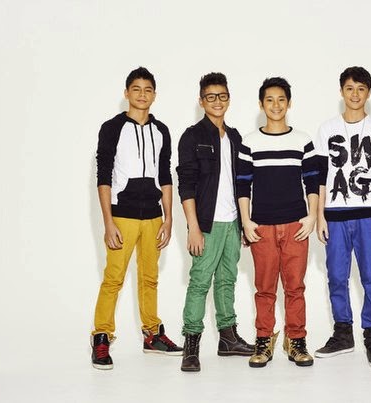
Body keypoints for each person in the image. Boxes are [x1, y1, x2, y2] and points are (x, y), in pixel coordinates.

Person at [91, 67, 182, 370]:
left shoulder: (162, 131)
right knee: (114, 279)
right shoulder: (112, 128)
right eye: (136, 89)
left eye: (148, 89)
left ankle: (152, 335)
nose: (142, 94)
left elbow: (165, 176)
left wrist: (168, 218)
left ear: (154, 95)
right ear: (126, 93)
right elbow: (103, 175)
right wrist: (108, 222)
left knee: (149, 278)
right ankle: (101, 337)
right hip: (122, 216)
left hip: (153, 217)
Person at [314, 66, 371, 369]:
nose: (355, 94)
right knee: (336, 276)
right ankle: (343, 334)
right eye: (350, 88)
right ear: (341, 92)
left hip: (369, 215)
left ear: (369, 93)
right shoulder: (327, 129)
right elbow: (320, 176)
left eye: (361, 89)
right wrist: (319, 215)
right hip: (335, 214)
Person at [237, 77, 319, 368]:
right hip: (262, 227)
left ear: (289, 103)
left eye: (281, 99)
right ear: (261, 105)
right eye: (269, 100)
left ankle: (296, 340)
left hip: (296, 225)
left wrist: (312, 216)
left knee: (295, 287)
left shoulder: (303, 140)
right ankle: (264, 339)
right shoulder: (249, 141)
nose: (275, 105)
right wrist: (246, 221)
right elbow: (242, 185)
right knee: (265, 288)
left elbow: (312, 182)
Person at [176, 72, 254, 372]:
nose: (217, 101)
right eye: (211, 97)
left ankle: (228, 338)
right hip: (207, 224)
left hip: (232, 222)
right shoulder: (192, 137)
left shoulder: (235, 137)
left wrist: (244, 223)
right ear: (201, 101)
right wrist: (194, 227)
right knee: (199, 282)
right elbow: (186, 185)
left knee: (226, 280)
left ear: (228, 99)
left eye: (222, 96)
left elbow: (243, 183)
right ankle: (191, 345)